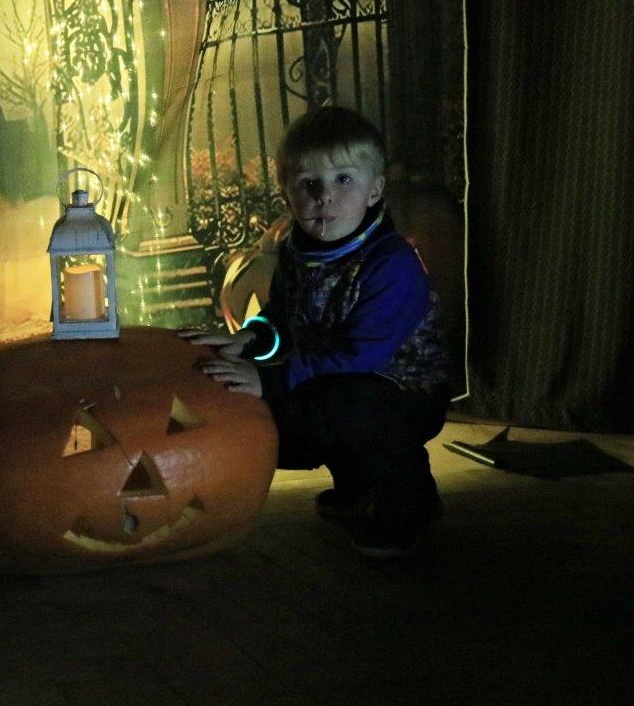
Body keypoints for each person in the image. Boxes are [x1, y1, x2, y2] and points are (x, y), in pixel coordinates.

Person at [184, 106, 451, 559]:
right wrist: (250, 339)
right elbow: (284, 317)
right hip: (337, 378)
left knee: (349, 409)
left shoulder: (391, 264)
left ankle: (410, 501)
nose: (325, 197)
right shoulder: (297, 251)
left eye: (343, 180)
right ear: (287, 193)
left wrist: (268, 379)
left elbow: (359, 357)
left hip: (404, 392)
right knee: (294, 414)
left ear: (375, 190)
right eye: (309, 184)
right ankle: (357, 486)